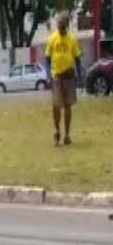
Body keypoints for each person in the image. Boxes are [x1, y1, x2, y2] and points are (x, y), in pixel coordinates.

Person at [45, 13, 82, 146]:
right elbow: (47, 58)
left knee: (67, 106)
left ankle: (66, 135)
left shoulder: (72, 39)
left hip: (69, 76)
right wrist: (47, 75)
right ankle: (56, 132)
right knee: (56, 106)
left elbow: (77, 58)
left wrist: (80, 75)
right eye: (59, 24)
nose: (60, 27)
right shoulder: (52, 39)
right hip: (56, 76)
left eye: (62, 25)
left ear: (66, 25)